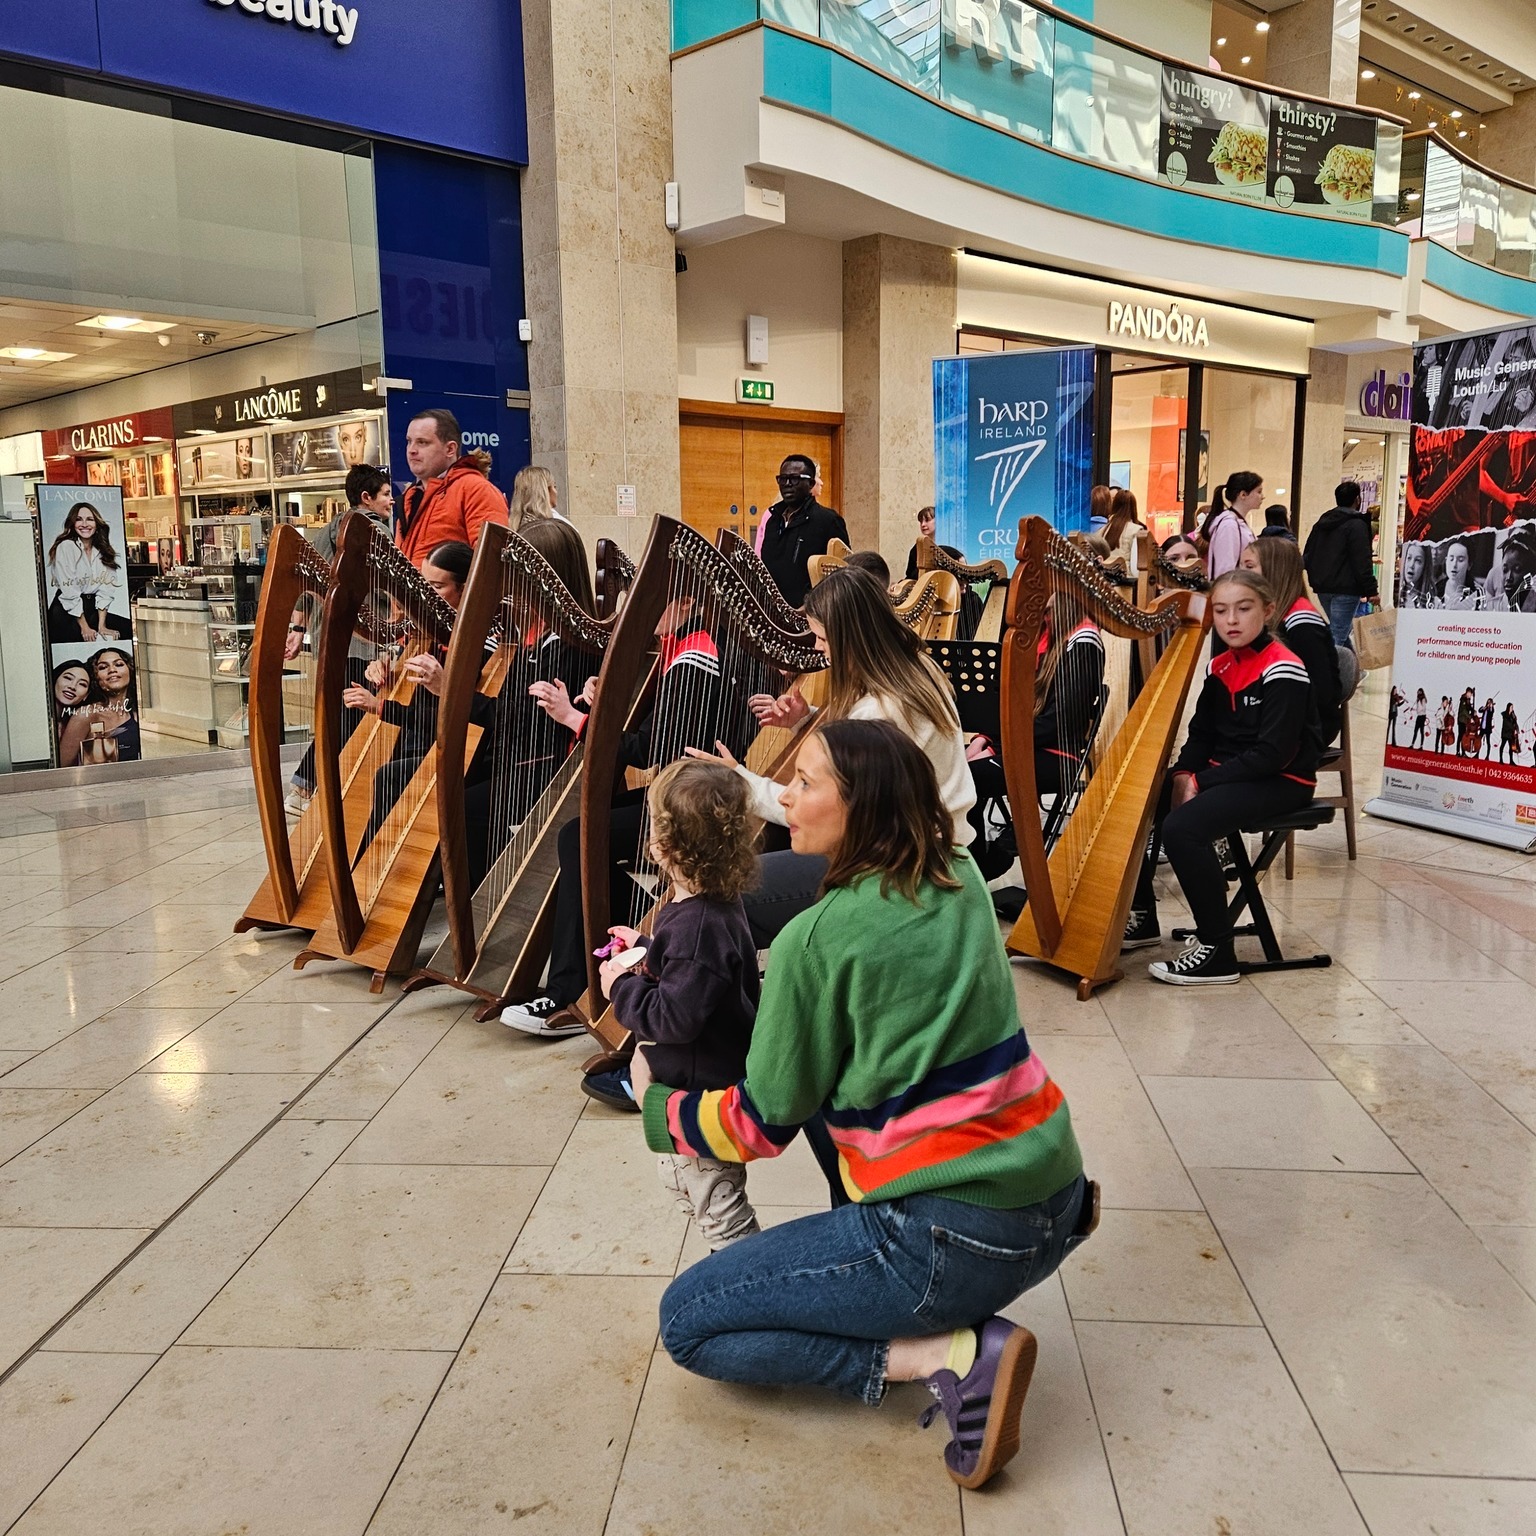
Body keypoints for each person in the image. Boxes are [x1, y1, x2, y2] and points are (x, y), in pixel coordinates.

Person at [640, 720, 1089, 1491]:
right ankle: (889, 1274)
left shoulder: (816, 939)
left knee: (688, 1324)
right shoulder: (958, 871)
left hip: (955, 1238)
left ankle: (950, 1356)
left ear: (866, 809)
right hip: (1054, 1196)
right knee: (832, 1092)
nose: (785, 794)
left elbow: (758, 1124)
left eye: (808, 783)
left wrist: (657, 1105)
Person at [691, 566, 976, 949]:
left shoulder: (884, 709)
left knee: (723, 894)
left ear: (852, 638)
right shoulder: (915, 669)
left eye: (823, 638)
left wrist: (740, 781)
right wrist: (802, 721)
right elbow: (856, 770)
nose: (816, 648)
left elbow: (825, 809)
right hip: (919, 842)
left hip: (902, 863)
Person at [500, 590, 728, 1039]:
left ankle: (568, 989)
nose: (634, 613)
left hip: (696, 803)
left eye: (646, 601)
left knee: (578, 836)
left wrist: (573, 719)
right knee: (578, 834)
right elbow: (648, 731)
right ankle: (634, 914)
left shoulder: (695, 657)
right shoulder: (676, 648)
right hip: (678, 791)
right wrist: (599, 701)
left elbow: (650, 750)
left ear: (684, 603)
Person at [590, 760, 763, 1252]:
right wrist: (647, 947)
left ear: (661, 847)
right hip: (700, 1081)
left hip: (699, 1093)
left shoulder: (698, 924)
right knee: (696, 1192)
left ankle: (743, 1289)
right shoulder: (709, 905)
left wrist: (620, 986)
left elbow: (674, 1018)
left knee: (720, 1214)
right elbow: (693, 973)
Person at [1123, 569, 1320, 984]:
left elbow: (1273, 755)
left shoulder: (1285, 669)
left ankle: (1218, 950)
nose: (1231, 620)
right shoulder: (1220, 667)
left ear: (1267, 612)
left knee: (1182, 829)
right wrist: (1183, 773)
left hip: (1282, 781)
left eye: (1243, 609)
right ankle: (1142, 916)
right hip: (1233, 774)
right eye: (1221, 610)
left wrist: (1202, 784)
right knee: (1138, 801)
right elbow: (1202, 736)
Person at [284, 465, 395, 814]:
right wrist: (401, 614)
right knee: (349, 718)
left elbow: (307, 584)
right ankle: (305, 786)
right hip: (365, 643)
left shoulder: (323, 535)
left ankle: (318, 786)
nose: (392, 500)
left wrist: (297, 628)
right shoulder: (376, 534)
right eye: (386, 494)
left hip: (329, 639)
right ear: (367, 498)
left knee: (341, 715)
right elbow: (388, 587)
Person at [342, 541, 472, 838]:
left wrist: (380, 706)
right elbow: (408, 678)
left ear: (465, 589)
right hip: (420, 732)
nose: (425, 596)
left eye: (436, 587)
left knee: (388, 775)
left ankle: (366, 867)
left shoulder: (478, 640)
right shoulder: (426, 632)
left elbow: (452, 716)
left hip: (451, 744)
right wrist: (386, 667)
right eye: (423, 585)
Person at [1241, 538, 1342, 745]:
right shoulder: (1269, 613)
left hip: (1305, 727)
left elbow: (1322, 692)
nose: (1239, 574)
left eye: (1249, 566)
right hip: (1275, 716)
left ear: (1274, 570)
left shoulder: (1302, 623)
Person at [395, 408, 508, 567]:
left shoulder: (475, 489)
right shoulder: (410, 496)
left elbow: (491, 563)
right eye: (409, 441)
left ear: (450, 449)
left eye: (422, 442)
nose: (411, 450)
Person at [1033, 587, 1106, 799]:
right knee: (952, 764)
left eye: (1049, 611)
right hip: (1032, 745)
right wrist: (987, 739)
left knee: (966, 775)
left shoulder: (1083, 643)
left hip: (1058, 754)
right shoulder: (1056, 644)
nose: (1045, 618)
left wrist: (1001, 743)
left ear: (1065, 608)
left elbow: (1058, 723)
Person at [757, 454, 849, 606]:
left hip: (810, 615)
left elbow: (842, 576)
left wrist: (812, 607)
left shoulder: (828, 520)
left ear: (810, 483)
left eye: (794, 479)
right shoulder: (773, 520)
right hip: (772, 612)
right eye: (782, 479)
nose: (787, 484)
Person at [1303, 481, 1378, 647]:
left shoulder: (1321, 524)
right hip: (1347, 588)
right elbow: (1362, 560)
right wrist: (1371, 590)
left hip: (1323, 586)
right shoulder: (1356, 525)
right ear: (1358, 499)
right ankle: (1329, 671)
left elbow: (1308, 554)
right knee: (1338, 636)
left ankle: (1353, 671)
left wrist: (1315, 576)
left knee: (1340, 632)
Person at [47, 502, 131, 644]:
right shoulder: (67, 547)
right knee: (77, 640)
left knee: (126, 628)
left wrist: (102, 626)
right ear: (73, 523)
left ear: (97, 523)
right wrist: (84, 628)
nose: (84, 524)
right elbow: (69, 591)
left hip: (91, 609)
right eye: (79, 519)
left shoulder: (102, 550)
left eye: (90, 519)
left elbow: (105, 591)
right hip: (66, 612)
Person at [60, 646, 141, 765]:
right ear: (95, 677)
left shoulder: (136, 712)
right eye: (103, 667)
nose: (112, 670)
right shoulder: (86, 714)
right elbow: (63, 766)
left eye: (118, 664)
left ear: (130, 670)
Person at [1204, 472, 1263, 580]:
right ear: (1243, 495)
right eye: (1259, 492)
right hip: (1231, 590)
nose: (1262, 497)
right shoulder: (1229, 525)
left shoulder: (1236, 522)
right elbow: (1225, 568)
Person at [903, 506, 963, 584]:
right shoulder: (916, 549)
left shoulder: (953, 546)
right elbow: (910, 576)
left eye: (927, 520)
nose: (923, 524)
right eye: (921, 521)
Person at [509, 464, 567, 531]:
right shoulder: (559, 528)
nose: (556, 492)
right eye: (554, 486)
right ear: (545, 491)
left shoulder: (513, 529)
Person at [1102, 488, 1145, 566]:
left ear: (1114, 505)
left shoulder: (1101, 530)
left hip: (1103, 575)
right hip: (1127, 575)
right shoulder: (1137, 530)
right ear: (1133, 507)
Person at [1437, 539, 1481, 610]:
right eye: (1451, 559)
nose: (1454, 565)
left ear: (1469, 565)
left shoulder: (1478, 595)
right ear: (1446, 561)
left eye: (1460, 560)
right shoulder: (1435, 590)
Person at [1397, 541, 1434, 609]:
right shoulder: (1395, 597)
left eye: (1418, 560)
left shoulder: (1433, 602)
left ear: (1425, 567)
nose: (1411, 565)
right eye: (1409, 558)